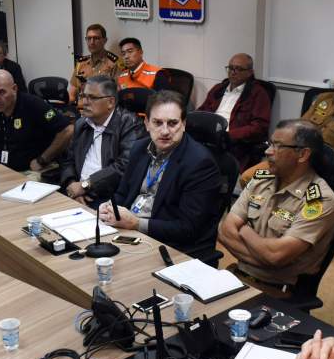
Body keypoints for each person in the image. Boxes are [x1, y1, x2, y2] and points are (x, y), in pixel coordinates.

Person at [218, 119, 334, 297]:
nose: (268, 151)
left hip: (276, 293)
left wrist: (244, 230)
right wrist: (266, 260)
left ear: (303, 155)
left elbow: (276, 255)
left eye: (278, 146)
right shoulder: (261, 180)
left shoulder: (320, 200)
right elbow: (224, 232)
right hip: (235, 276)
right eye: (270, 144)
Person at [97, 90, 220, 257]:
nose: (164, 131)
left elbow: (188, 228)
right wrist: (110, 207)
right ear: (147, 123)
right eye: (157, 122)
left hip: (168, 246)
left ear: (183, 124)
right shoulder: (139, 148)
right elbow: (122, 193)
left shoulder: (199, 163)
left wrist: (136, 223)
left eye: (172, 123)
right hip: (128, 233)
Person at [241, 60, 334, 187]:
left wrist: (309, 161)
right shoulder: (323, 99)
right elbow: (300, 126)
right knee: (248, 178)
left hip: (315, 165)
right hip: (292, 154)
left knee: (280, 190)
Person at [61, 76, 146, 207]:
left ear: (111, 102)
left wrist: (85, 185)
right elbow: (68, 160)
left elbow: (124, 166)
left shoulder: (130, 124)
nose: (85, 102)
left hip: (107, 197)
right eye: (83, 96)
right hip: (76, 194)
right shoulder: (81, 124)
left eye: (92, 98)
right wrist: (72, 184)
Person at [0, 69, 73, 174]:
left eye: (1, 92)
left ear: (14, 88)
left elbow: (68, 130)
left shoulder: (33, 105)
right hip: (1, 169)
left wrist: (42, 160)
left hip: (31, 171)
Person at [197, 53, 271, 169]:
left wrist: (228, 135)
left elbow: (259, 127)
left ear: (250, 72)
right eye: (231, 68)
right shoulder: (219, 88)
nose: (233, 72)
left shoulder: (258, 93)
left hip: (233, 142)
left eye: (239, 69)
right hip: (208, 136)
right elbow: (201, 111)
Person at [68, 24, 120, 104]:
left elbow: (118, 95)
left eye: (96, 38)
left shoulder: (114, 64)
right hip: (80, 110)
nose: (92, 42)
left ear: (104, 40)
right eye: (89, 38)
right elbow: (71, 94)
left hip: (102, 111)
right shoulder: (81, 63)